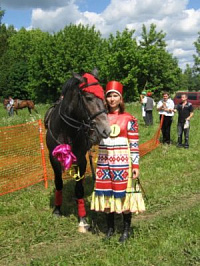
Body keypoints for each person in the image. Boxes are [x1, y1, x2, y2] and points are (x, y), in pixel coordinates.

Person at [91, 81, 145, 243]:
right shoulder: (101, 118)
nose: (112, 99)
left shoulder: (129, 119)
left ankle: (126, 230)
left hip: (123, 162)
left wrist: (135, 165)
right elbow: (94, 139)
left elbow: (134, 144)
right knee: (107, 195)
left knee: (124, 196)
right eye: (109, 96)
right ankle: (110, 228)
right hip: (104, 162)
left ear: (121, 99)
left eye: (115, 96)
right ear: (105, 99)